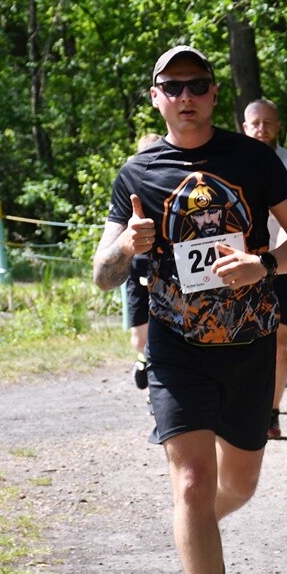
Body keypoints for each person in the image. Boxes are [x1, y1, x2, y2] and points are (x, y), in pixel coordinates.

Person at [91, 45, 287, 574]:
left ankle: (194, 531)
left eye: (197, 85)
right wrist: (127, 246)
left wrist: (264, 264)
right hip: (176, 347)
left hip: (248, 345)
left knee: (238, 486)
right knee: (192, 483)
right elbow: (103, 275)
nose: (186, 96)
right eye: (173, 86)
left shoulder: (253, 159)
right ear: (155, 97)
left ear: (215, 93)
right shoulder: (137, 173)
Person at [242, 98, 287, 440]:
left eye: (268, 122)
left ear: (278, 125)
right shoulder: (233, 160)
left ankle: (272, 411)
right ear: (245, 127)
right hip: (241, 264)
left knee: (279, 343)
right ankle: (243, 405)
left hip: (282, 263)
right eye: (255, 123)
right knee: (245, 342)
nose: (261, 129)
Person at [127, 133, 163, 403]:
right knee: (139, 340)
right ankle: (144, 359)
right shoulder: (129, 182)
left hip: (169, 264)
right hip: (138, 264)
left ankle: (157, 390)